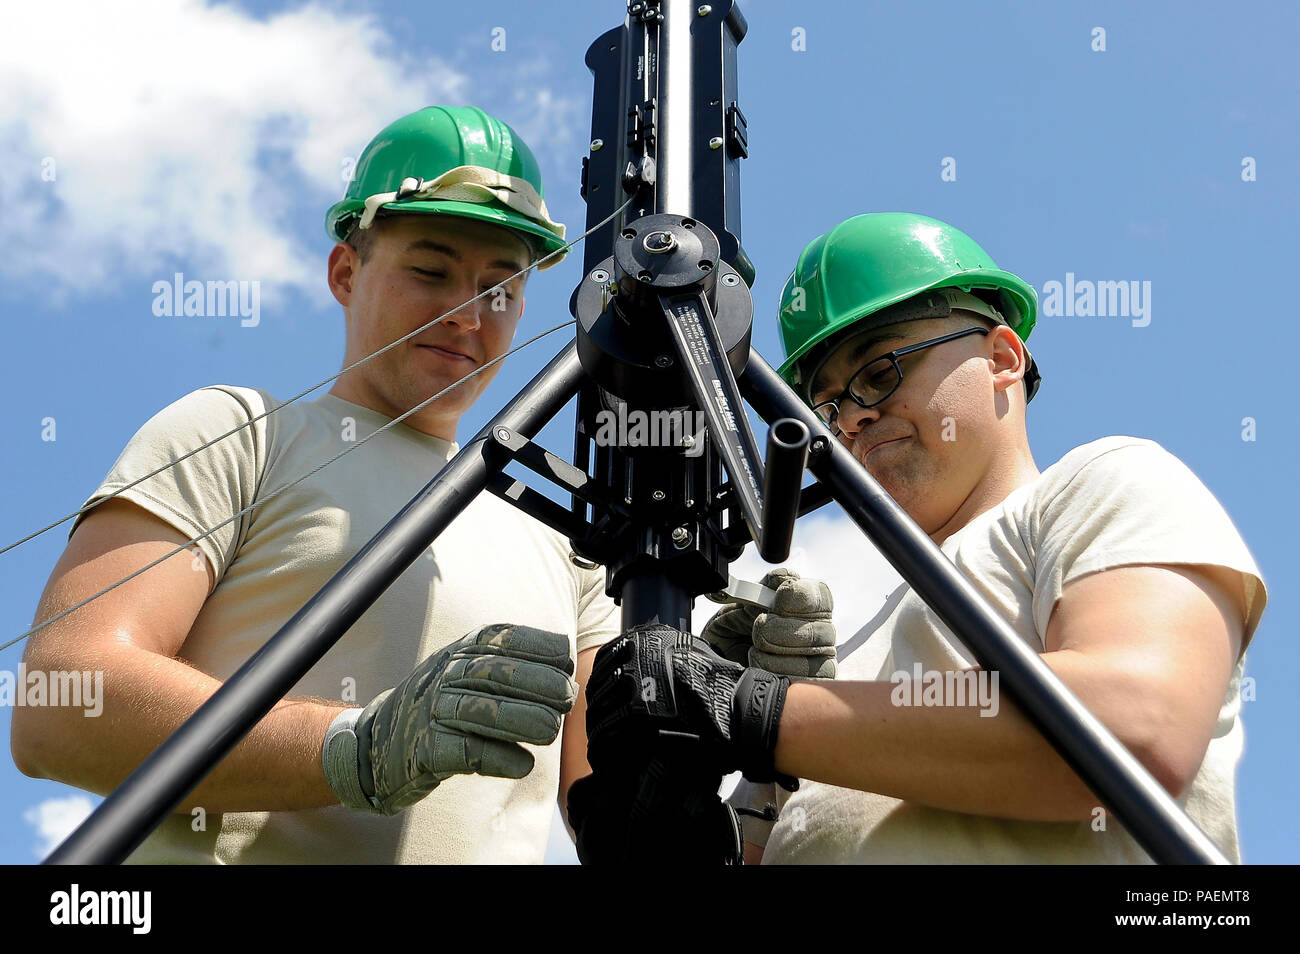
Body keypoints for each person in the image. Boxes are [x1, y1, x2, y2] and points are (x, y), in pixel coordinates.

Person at [11, 105, 621, 864]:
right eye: (429, 272)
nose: (468, 314)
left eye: (501, 289)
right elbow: (64, 705)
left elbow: (619, 817)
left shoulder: (565, 536)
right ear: (345, 271)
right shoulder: (240, 434)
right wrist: (349, 751)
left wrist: (749, 736)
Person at [580, 212, 1269, 864]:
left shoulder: (1104, 484)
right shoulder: (835, 661)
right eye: (824, 404)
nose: (850, 418)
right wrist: (679, 792)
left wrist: (747, 709)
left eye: (878, 372)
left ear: (1002, 356)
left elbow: (1132, 729)